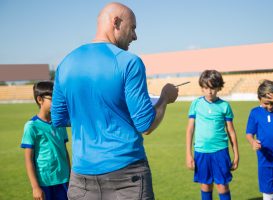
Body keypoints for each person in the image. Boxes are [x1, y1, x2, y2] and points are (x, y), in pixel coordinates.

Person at [51, 2, 178, 200]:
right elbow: (146, 125)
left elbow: (58, 118)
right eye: (133, 28)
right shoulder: (129, 61)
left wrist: (97, 114)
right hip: (126, 176)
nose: (135, 36)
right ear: (116, 22)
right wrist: (164, 98)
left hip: (81, 177)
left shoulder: (65, 63)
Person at [186, 70, 239, 200]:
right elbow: (190, 129)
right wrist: (188, 154)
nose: (209, 92)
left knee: (222, 186)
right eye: (205, 88)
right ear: (202, 88)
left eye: (212, 88)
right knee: (205, 186)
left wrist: (236, 155)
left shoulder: (225, 106)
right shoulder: (196, 104)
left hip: (220, 151)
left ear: (219, 87)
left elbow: (231, 132)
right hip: (201, 151)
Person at [20, 81, 70, 200]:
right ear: (40, 99)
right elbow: (28, 160)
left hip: (64, 180)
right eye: (53, 98)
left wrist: (70, 175)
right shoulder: (32, 126)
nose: (57, 102)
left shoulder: (60, 123)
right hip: (44, 182)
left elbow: (64, 151)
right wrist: (35, 187)